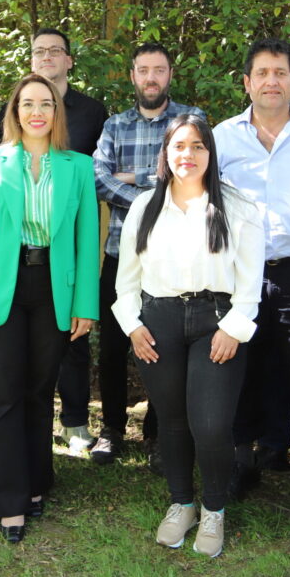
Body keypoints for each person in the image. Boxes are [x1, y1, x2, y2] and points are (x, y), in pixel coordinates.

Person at [114, 114, 262, 558]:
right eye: (179, 145)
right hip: (157, 322)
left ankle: (214, 508)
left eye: (198, 146)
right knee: (172, 420)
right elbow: (127, 280)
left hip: (216, 322)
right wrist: (132, 325)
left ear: (210, 154)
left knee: (211, 424)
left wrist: (234, 328)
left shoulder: (237, 207)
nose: (188, 154)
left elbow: (251, 283)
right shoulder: (145, 206)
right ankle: (182, 503)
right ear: (166, 153)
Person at [0, 74, 99, 543]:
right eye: (27, 104)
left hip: (55, 288)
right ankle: (9, 499)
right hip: (3, 286)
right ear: (15, 112)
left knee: (40, 391)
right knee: (5, 393)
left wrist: (85, 304)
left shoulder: (78, 166)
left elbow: (86, 241)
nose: (36, 112)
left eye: (46, 104)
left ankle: (37, 481)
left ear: (57, 112)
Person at [212, 38, 290, 502]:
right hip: (238, 274)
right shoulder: (223, 136)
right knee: (237, 371)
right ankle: (240, 464)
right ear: (247, 83)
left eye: (280, 73)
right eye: (262, 73)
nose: (272, 81)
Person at [0, 28, 107, 451]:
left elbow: (100, 171)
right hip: (16, 259)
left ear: (69, 61)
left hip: (65, 246)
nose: (48, 57)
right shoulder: (12, 117)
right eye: (40, 51)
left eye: (56, 51)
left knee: (71, 342)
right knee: (13, 364)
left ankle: (74, 420)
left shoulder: (92, 112)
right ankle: (13, 434)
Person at [90, 42, 204, 466]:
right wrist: (152, 191)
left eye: (159, 69)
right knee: (113, 347)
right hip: (121, 254)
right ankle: (112, 429)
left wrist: (131, 178)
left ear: (170, 74)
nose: (151, 78)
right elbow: (98, 179)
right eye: (144, 70)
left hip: (173, 260)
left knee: (165, 347)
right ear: (133, 76)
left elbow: (190, 177)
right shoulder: (115, 125)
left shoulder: (190, 121)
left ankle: (159, 433)